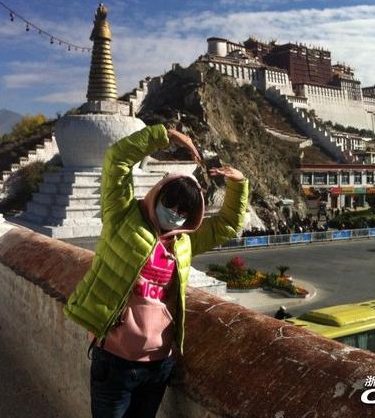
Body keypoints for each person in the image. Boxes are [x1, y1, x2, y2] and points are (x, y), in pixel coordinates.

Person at [64, 124, 249, 418]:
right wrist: (165, 136)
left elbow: (226, 225)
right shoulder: (122, 216)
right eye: (170, 203)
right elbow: (116, 159)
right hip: (114, 359)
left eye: (184, 211)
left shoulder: (184, 243)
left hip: (159, 364)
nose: (175, 213)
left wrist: (238, 185)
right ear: (157, 194)